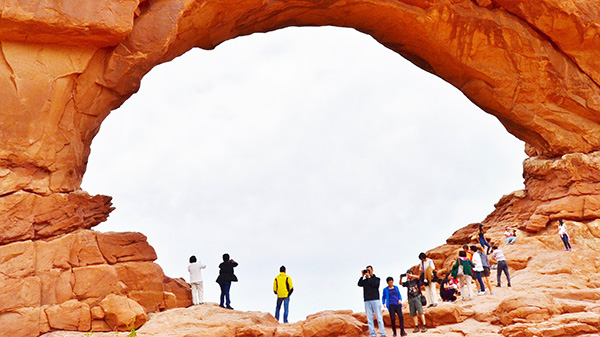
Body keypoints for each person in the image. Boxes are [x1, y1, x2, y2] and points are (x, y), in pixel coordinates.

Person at [358, 266, 387, 337]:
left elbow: (375, 285)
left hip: (375, 299)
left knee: (379, 318)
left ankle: (382, 333)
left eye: (369, 270)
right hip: (367, 300)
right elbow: (359, 284)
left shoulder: (376, 279)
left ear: (372, 270)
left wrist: (369, 277)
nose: (368, 272)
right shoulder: (365, 281)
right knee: (369, 319)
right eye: (367, 270)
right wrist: (362, 275)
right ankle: (373, 334)